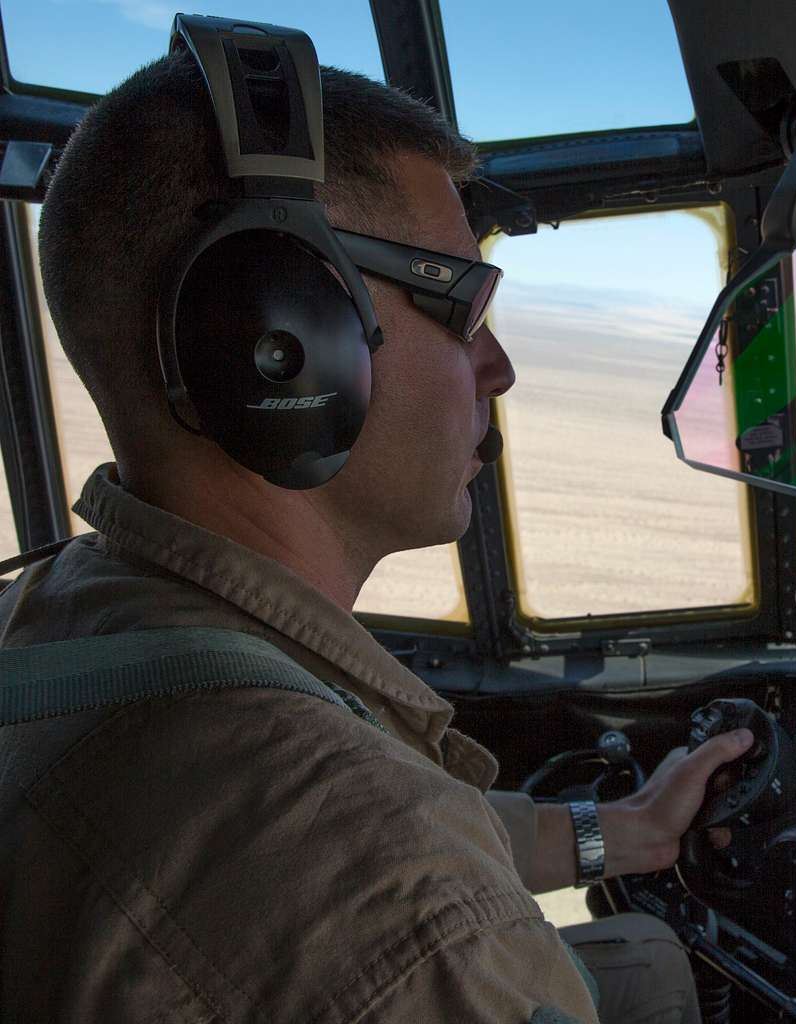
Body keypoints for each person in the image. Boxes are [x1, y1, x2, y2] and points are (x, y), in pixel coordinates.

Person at [0, 47, 753, 1024]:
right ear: (279, 346)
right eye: (462, 305)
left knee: (643, 957)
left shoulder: (60, 608)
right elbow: (370, 869)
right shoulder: (403, 915)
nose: (497, 368)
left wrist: (621, 832)